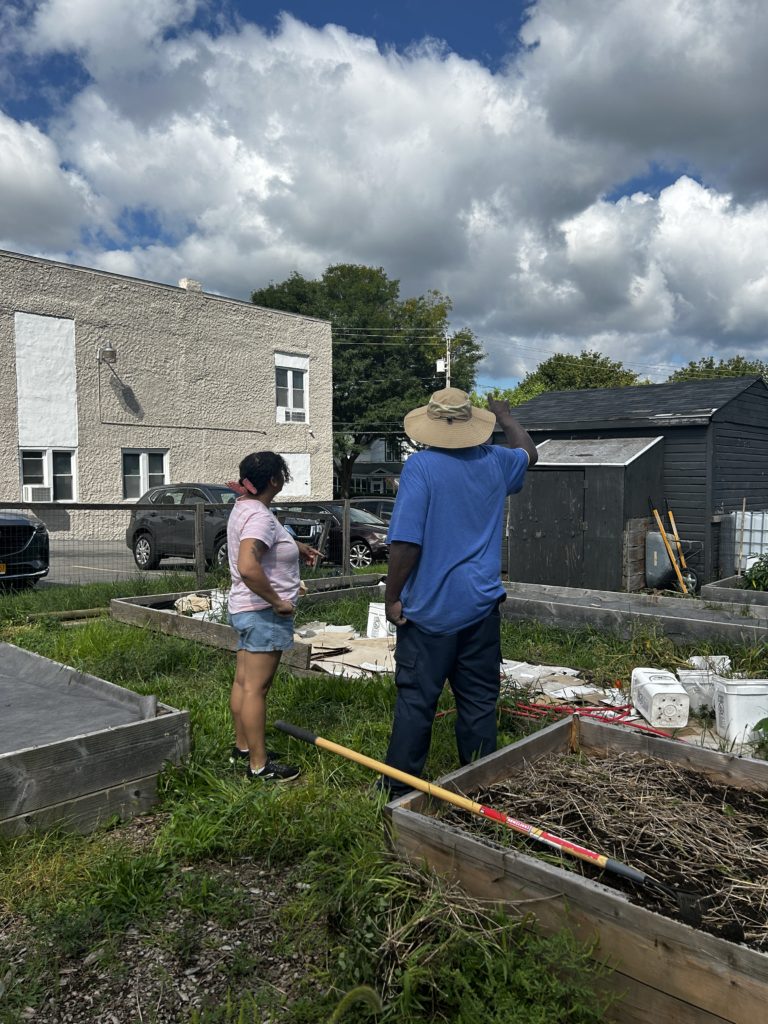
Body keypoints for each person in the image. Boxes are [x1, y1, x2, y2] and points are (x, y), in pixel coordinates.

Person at [381, 387, 538, 797]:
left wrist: (392, 596)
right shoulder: (497, 461)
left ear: (431, 426)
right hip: (481, 608)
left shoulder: (421, 467)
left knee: (417, 703)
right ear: (472, 424)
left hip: (429, 613)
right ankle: (482, 788)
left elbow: (406, 542)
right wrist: (505, 417)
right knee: (479, 703)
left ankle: (399, 791)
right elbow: (529, 453)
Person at [226, 451, 321, 782]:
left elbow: (266, 540)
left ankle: (243, 747)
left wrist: (296, 547)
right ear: (274, 480)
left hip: (245, 609)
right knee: (257, 689)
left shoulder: (246, 506)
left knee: (243, 682)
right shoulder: (260, 517)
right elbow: (248, 566)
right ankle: (259, 766)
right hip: (262, 613)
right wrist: (278, 601)